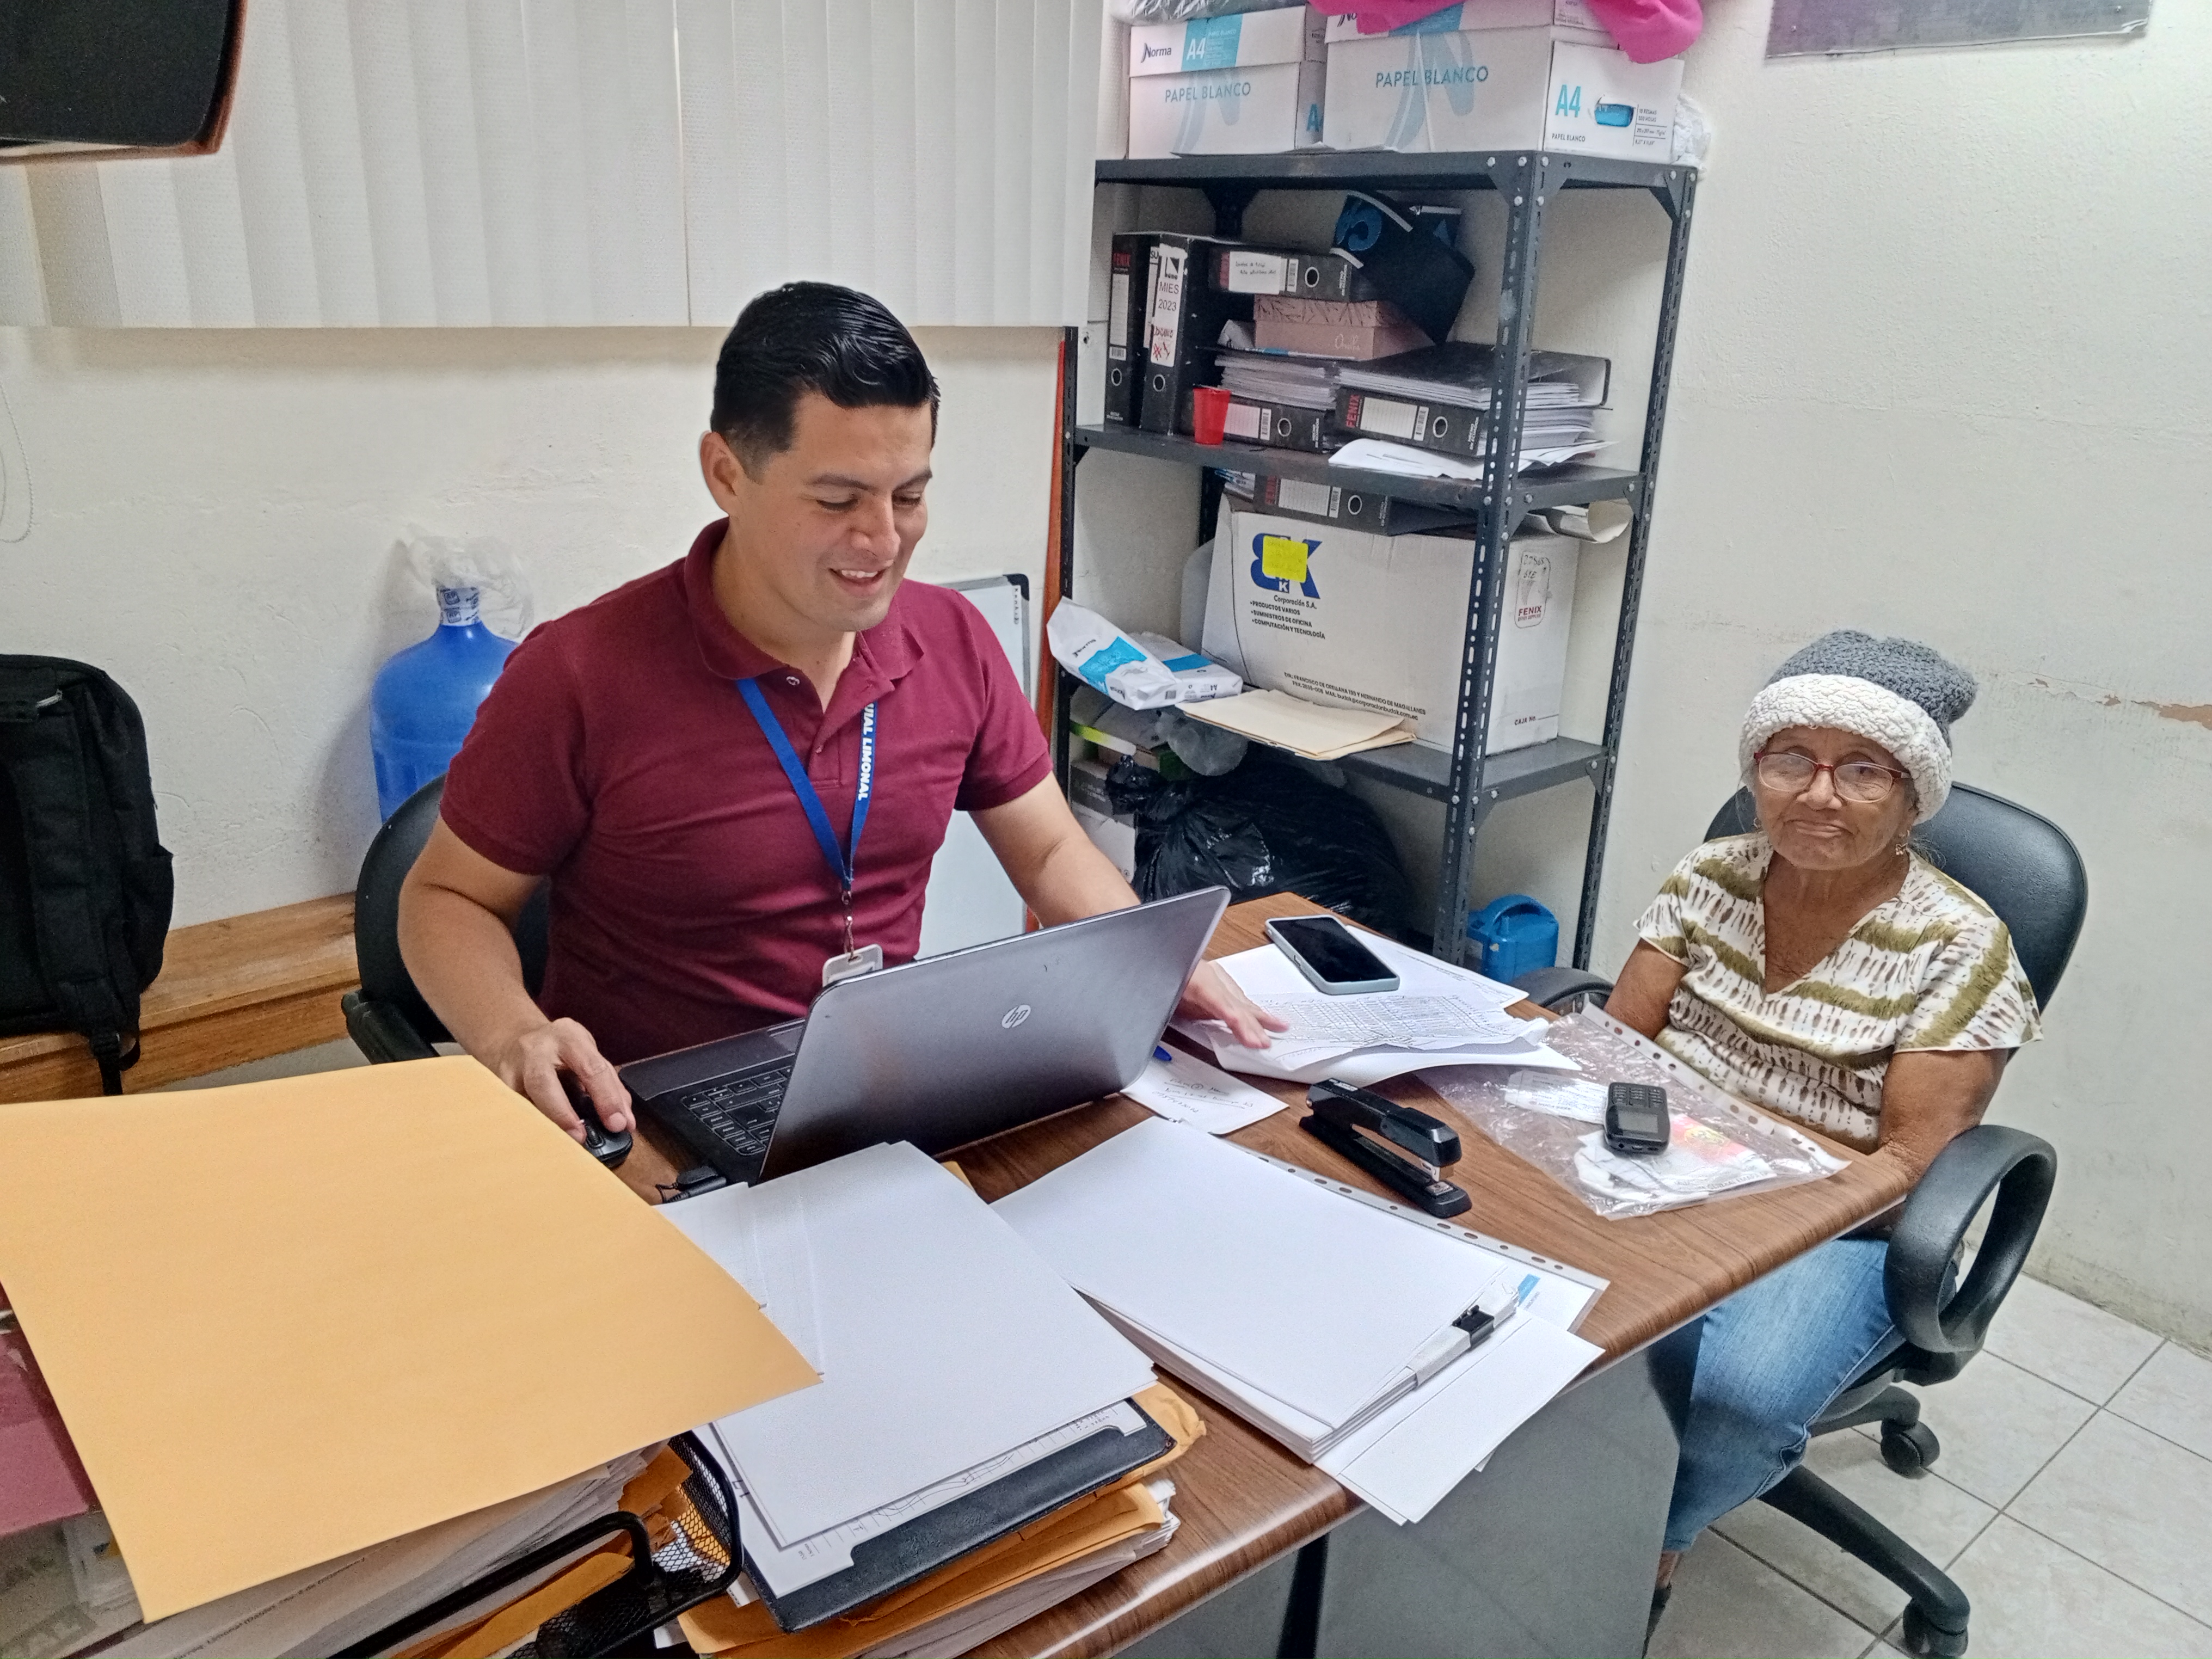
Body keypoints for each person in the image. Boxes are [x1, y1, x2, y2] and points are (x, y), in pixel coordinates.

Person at [398, 282, 1281, 1140]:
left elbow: (1050, 851)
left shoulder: (953, 640)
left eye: (909, 496)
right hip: (654, 1130)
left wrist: (1145, 960)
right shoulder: (579, 673)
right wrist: (515, 1035)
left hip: (879, 1102)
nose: (883, 540)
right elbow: (445, 899)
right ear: (726, 473)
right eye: (837, 500)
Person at [1612, 632, 2041, 1645]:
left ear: (1913, 797)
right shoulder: (1709, 876)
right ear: (1754, 772)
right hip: (1664, 1164)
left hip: (1844, 1224)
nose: (1819, 794)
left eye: (1863, 770)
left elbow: (1910, 1169)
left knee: (1735, 1396)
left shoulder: (1960, 945)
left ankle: (1651, 1544)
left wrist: (1731, 1162)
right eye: (1790, 759)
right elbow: (1618, 1043)